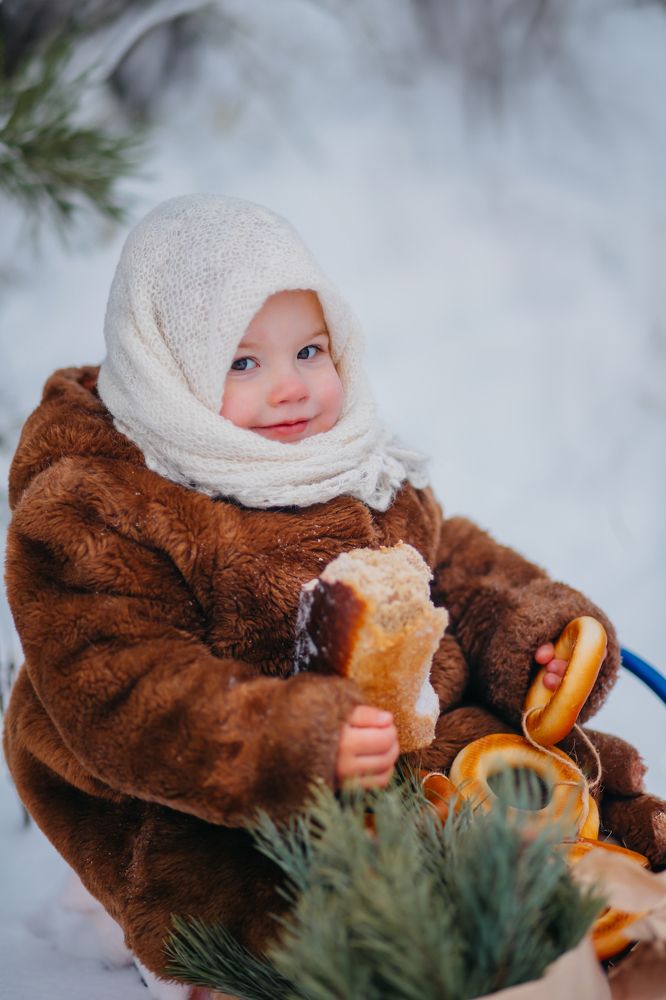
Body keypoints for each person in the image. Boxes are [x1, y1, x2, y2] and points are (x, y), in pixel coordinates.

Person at [2, 194, 621, 992]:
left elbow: (444, 561)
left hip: (388, 746)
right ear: (170, 370)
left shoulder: (345, 458)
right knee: (302, 922)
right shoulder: (102, 506)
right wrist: (290, 743)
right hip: (206, 791)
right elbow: (121, 685)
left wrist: (527, 629)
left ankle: (606, 913)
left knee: (561, 794)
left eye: (310, 350)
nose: (292, 388)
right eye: (243, 362)